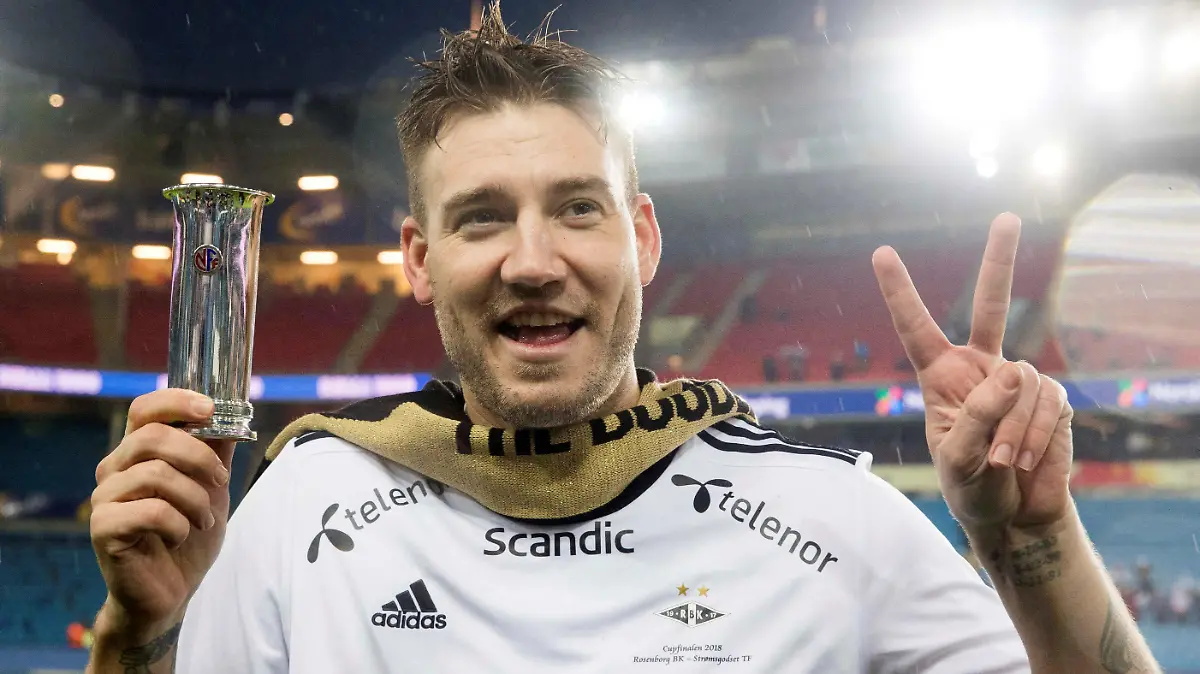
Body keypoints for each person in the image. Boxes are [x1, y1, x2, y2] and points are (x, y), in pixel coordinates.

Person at [86, 6, 1160, 673]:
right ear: (416, 259)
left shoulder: (832, 519)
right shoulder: (295, 516)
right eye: (481, 216)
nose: (533, 256)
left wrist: (1034, 541)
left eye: (579, 207)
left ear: (643, 236)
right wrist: (139, 638)